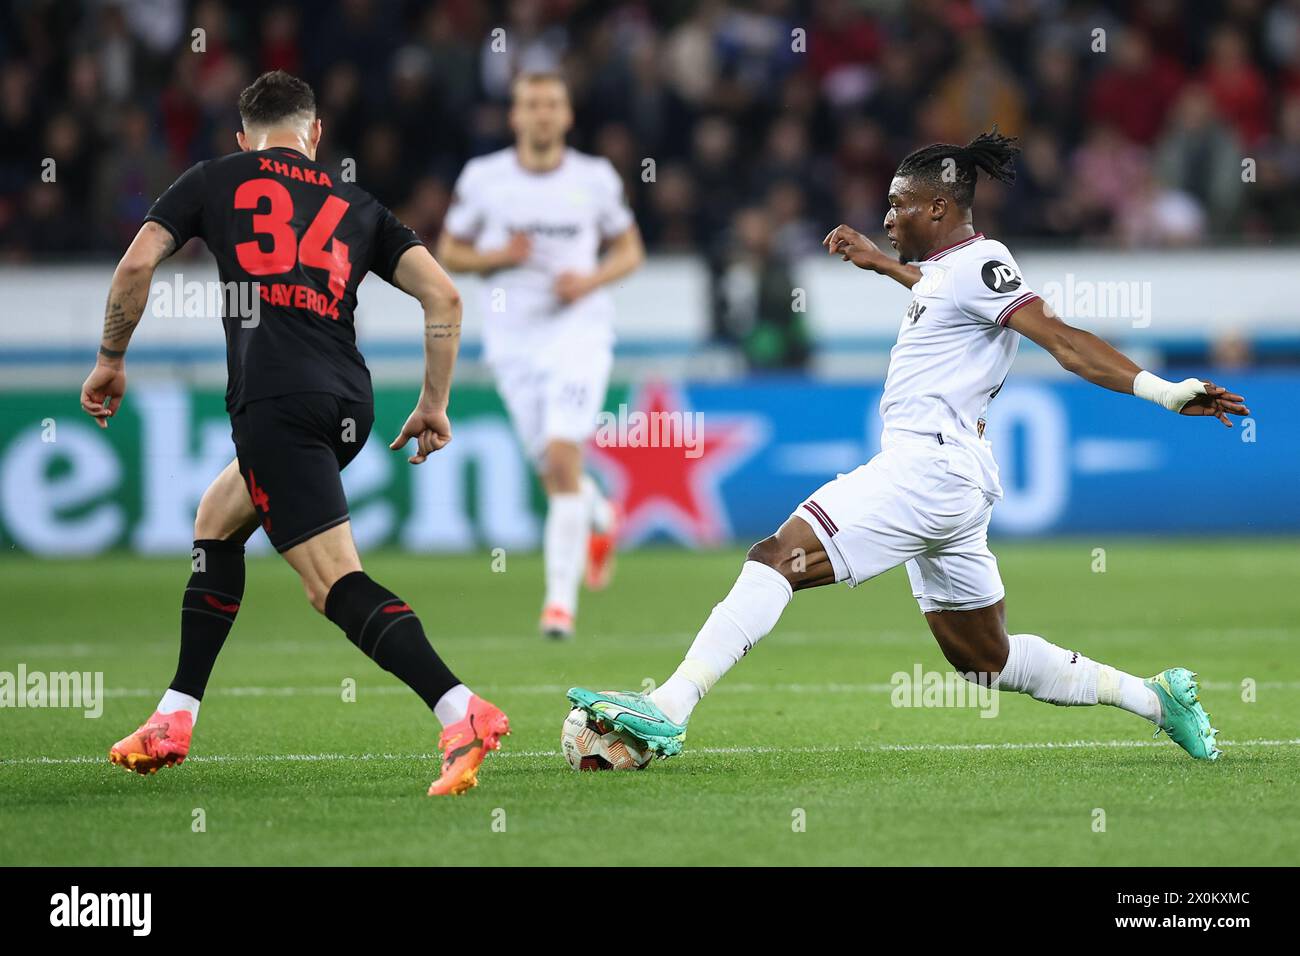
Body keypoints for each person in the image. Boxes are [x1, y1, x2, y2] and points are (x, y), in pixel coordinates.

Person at [567, 129, 1248, 763]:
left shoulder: (983, 263)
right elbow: (943, 289)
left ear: (940, 206)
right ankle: (1156, 698)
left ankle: (670, 704)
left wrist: (1165, 392)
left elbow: (1063, 341)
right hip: (951, 481)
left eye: (898, 207)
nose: (886, 219)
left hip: (928, 467)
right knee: (985, 658)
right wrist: (883, 265)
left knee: (778, 556)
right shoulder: (951, 271)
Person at [81, 70, 508, 796]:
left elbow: (136, 263)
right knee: (216, 521)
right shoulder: (356, 203)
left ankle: (461, 709)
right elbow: (445, 294)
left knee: (332, 584)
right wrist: (434, 403)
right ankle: (174, 715)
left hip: (275, 401)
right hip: (348, 401)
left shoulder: (216, 178)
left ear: (244, 137)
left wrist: (110, 360)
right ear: (315, 136)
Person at [436, 72, 645, 639]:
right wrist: (499, 256)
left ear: (568, 115)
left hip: (578, 332)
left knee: (560, 459)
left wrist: (592, 279)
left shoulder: (595, 177)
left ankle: (559, 606)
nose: (543, 113)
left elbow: (630, 250)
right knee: (555, 473)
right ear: (515, 116)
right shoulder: (485, 179)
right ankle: (600, 515)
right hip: (512, 342)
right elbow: (448, 251)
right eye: (532, 104)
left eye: (553, 103)